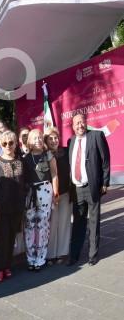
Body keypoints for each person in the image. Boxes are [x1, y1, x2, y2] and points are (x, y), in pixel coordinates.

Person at [67, 113, 110, 267]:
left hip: (92, 187)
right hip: (77, 189)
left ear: (86, 123)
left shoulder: (96, 136)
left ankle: (93, 255)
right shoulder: (70, 141)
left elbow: (105, 160)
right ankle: (74, 256)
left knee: (94, 222)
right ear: (73, 126)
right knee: (78, 223)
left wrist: (105, 182)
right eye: (77, 123)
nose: (80, 125)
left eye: (82, 122)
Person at [0, 131, 27, 283]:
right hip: (2, 208)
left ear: (16, 144)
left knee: (11, 238)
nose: (8, 146)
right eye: (5, 143)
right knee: (2, 239)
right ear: (0, 145)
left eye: (11, 143)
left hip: (17, 207)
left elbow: (25, 183)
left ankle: (7, 266)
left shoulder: (20, 162)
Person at [22, 129, 57, 271]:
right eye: (35, 138)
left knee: (43, 226)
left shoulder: (48, 155)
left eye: (40, 137)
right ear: (29, 141)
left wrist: (56, 192)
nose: (38, 140)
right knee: (30, 226)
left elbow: (54, 174)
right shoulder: (25, 158)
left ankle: (40, 259)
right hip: (30, 193)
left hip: (45, 191)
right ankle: (30, 259)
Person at [44, 127, 72, 263]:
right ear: (46, 141)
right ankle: (50, 254)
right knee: (52, 224)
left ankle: (62, 252)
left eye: (56, 138)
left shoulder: (66, 152)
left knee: (64, 222)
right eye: (51, 138)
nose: (54, 140)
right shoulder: (44, 154)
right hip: (50, 196)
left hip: (65, 192)